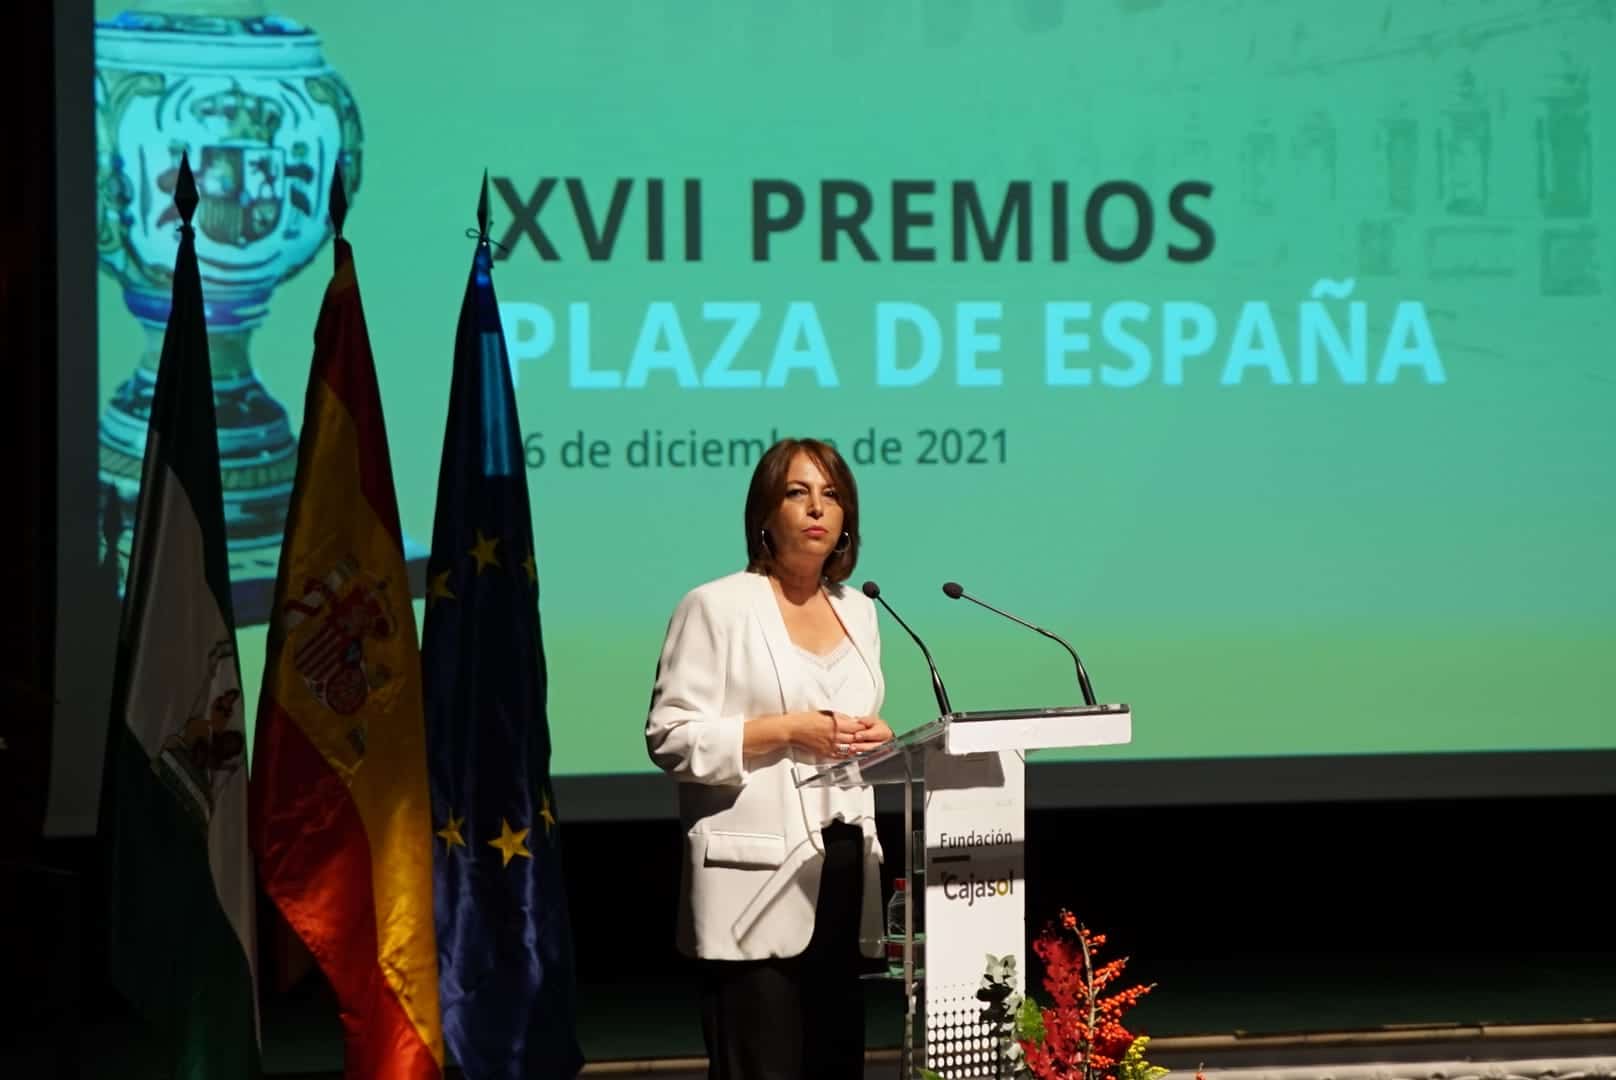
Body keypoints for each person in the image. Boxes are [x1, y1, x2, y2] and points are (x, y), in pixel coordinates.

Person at [645, 436, 896, 1079]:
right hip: (752, 883)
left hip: (842, 873)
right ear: (765, 513)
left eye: (832, 495)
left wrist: (879, 740)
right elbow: (670, 737)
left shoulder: (861, 610)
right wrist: (786, 731)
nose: (817, 508)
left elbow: (846, 727)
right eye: (797, 492)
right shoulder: (716, 606)